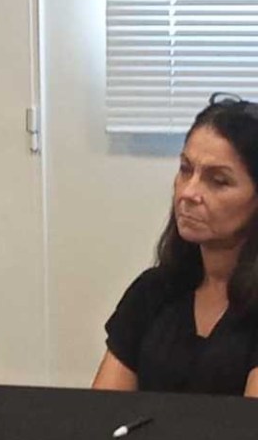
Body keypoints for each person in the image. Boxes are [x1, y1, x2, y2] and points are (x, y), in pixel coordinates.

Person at [93, 92, 258, 396]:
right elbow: (101, 413)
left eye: (218, 181)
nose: (188, 193)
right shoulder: (153, 291)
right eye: (185, 169)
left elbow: (249, 424)